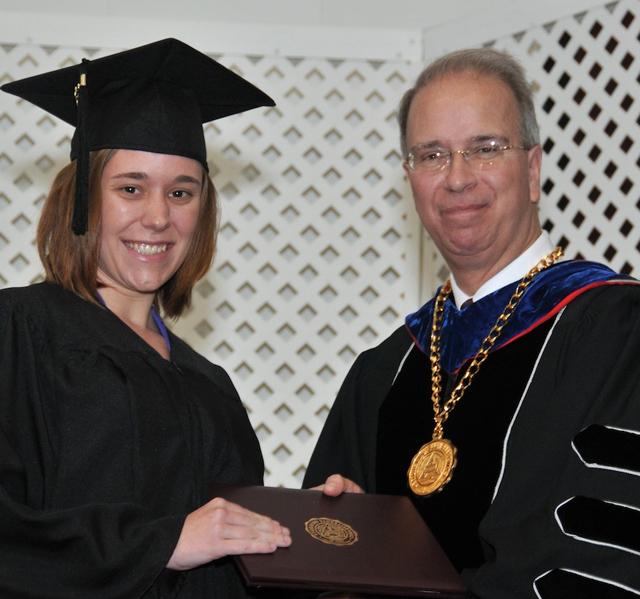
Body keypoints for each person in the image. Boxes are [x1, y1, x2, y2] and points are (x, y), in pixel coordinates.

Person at [304, 48, 640, 598]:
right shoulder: (383, 372)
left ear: (532, 170)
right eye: (431, 155)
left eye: (485, 149)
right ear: (410, 181)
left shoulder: (615, 332)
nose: (457, 178)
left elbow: (611, 550)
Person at [0, 38, 291, 598]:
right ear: (82, 200)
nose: (157, 217)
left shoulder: (209, 385)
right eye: (130, 188)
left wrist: (328, 538)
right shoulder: (18, 332)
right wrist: (163, 543)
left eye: (182, 192)